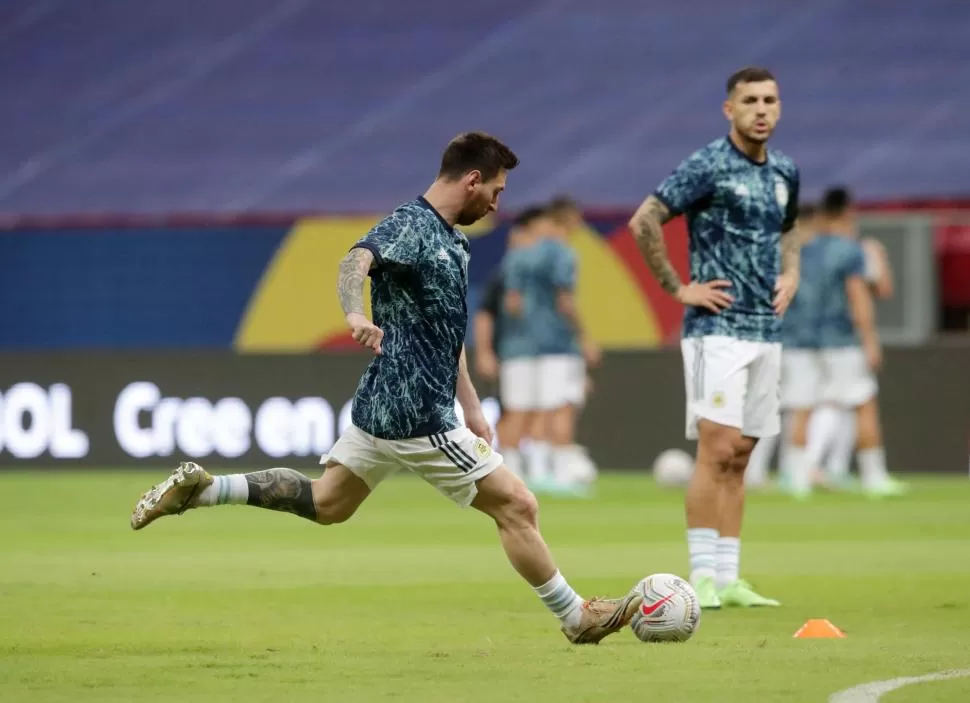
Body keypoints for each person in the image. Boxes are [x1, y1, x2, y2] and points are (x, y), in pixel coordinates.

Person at [128, 131, 641, 644]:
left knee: (328, 503)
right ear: (472, 179)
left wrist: (472, 407)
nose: (497, 203)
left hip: (384, 404)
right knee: (518, 506)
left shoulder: (454, 242)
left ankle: (205, 490)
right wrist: (354, 311)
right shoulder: (411, 225)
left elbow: (448, 330)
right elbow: (354, 260)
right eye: (497, 191)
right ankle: (576, 617)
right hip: (416, 411)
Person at [628, 66, 799, 609]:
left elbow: (789, 228)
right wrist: (678, 288)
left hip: (765, 329)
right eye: (750, 100)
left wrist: (791, 272)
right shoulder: (708, 164)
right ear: (729, 109)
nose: (761, 109)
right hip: (716, 330)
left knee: (743, 454)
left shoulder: (786, 172)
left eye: (770, 100)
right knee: (717, 447)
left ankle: (730, 578)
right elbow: (644, 220)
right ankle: (701, 576)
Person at [786, 187, 907, 498]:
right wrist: (870, 340)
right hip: (839, 339)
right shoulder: (849, 250)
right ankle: (874, 476)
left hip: (800, 339)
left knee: (803, 407)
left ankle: (798, 480)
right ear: (846, 213)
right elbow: (859, 297)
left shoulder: (801, 249)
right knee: (863, 403)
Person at [746, 202, 818, 490]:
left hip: (766, 341)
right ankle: (796, 476)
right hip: (798, 344)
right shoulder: (807, 258)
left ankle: (754, 472)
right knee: (800, 407)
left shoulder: (763, 254)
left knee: (765, 409)